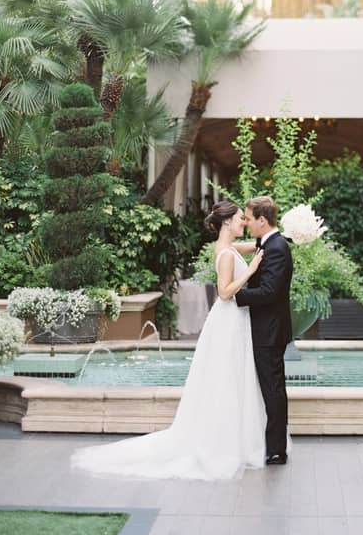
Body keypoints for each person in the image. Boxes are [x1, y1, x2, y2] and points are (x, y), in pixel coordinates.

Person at [71, 200, 266, 480]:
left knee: (228, 378)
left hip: (232, 321)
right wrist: (250, 271)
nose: (243, 223)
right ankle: (222, 442)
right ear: (226, 222)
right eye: (239, 218)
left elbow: (253, 247)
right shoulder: (225, 254)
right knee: (225, 378)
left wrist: (276, 239)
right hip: (228, 320)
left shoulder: (228, 248)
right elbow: (224, 293)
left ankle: (231, 437)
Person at [236, 196, 293, 465]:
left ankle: (277, 450)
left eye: (248, 218)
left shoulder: (278, 248)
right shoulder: (268, 243)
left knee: (273, 390)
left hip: (269, 332)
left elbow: (270, 292)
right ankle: (272, 445)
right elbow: (250, 246)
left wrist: (236, 295)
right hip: (266, 329)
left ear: (262, 220)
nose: (246, 223)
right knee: (269, 389)